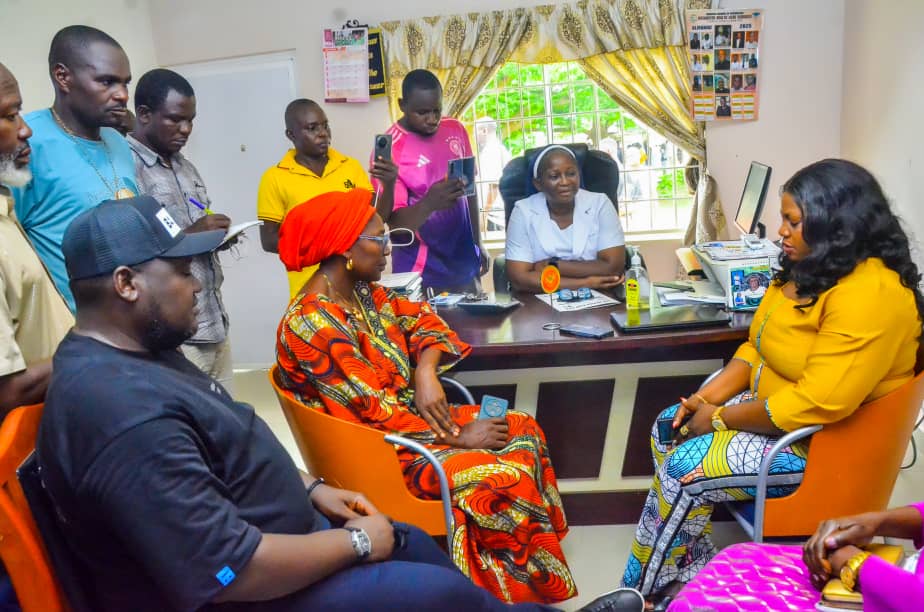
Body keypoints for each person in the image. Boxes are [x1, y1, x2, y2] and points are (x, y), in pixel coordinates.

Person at [38, 194, 637, 612]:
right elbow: (227, 571)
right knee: (441, 594)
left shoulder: (144, 354)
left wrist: (309, 488)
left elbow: (226, 453)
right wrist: (358, 543)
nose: (199, 285)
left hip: (300, 520)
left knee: (419, 549)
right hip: (268, 585)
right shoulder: (121, 414)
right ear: (126, 283)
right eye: (182, 270)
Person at [619, 159, 923, 605]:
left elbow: (817, 402)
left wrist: (719, 419)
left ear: (836, 224)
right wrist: (703, 400)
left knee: (684, 469)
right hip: (778, 419)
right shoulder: (812, 267)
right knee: (669, 427)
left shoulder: (870, 294)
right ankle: (687, 574)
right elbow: (756, 346)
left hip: (818, 445)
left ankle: (639, 596)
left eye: (793, 222)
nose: (781, 232)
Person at [274, 189, 575, 605]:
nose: (388, 249)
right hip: (381, 452)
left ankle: (532, 573)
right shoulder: (313, 323)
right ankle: (499, 599)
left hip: (407, 425)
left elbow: (424, 320)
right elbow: (375, 411)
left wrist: (425, 371)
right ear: (344, 248)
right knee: (504, 476)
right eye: (379, 239)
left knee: (522, 427)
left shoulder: (362, 293)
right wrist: (458, 436)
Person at [11, 25, 136, 311]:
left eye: (125, 83)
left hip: (132, 319)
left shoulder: (117, 141)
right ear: (63, 77)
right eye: (107, 82)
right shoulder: (27, 144)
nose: (122, 95)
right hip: (76, 326)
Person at [127, 68, 235, 389]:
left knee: (225, 415)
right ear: (144, 114)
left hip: (213, 321)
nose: (186, 129)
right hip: (175, 338)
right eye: (175, 119)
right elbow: (135, 252)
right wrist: (193, 233)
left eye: (191, 120)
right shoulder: (127, 169)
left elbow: (197, 224)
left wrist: (217, 236)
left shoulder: (186, 167)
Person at [257, 98, 397, 298]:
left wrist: (389, 185)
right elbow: (269, 240)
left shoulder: (350, 167)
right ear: (291, 135)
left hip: (356, 282)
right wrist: (326, 242)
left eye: (325, 126)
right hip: (309, 288)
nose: (323, 133)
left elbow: (376, 222)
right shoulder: (274, 178)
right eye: (312, 128)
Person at [671, 502, 924, 611]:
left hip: (901, 597)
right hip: (904, 577)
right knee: (739, 557)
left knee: (699, 604)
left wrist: (854, 565)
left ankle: (659, 585)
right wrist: (876, 521)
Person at [0, 63, 73, 414]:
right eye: (9, 116)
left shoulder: (7, 210)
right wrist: (102, 341)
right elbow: (5, 394)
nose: (25, 130)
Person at [379, 69, 488, 293]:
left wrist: (478, 243)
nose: (432, 119)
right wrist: (430, 203)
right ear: (402, 105)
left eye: (437, 110)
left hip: (463, 264)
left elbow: (470, 191)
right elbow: (396, 227)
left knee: (477, 317)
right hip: (420, 272)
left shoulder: (455, 128)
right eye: (422, 112)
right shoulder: (391, 148)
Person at [505, 145, 626, 293]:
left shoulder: (600, 204)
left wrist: (553, 266)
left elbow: (612, 267)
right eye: (554, 176)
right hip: (538, 299)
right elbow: (520, 279)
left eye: (571, 174)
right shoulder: (523, 211)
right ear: (538, 184)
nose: (565, 182)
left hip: (600, 295)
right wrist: (585, 283)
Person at [474, 116, 512, 232]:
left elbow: (494, 186)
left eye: (475, 132)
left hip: (493, 216)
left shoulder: (492, 151)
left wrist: (484, 215)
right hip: (493, 213)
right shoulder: (496, 149)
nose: (474, 136)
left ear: (484, 131)